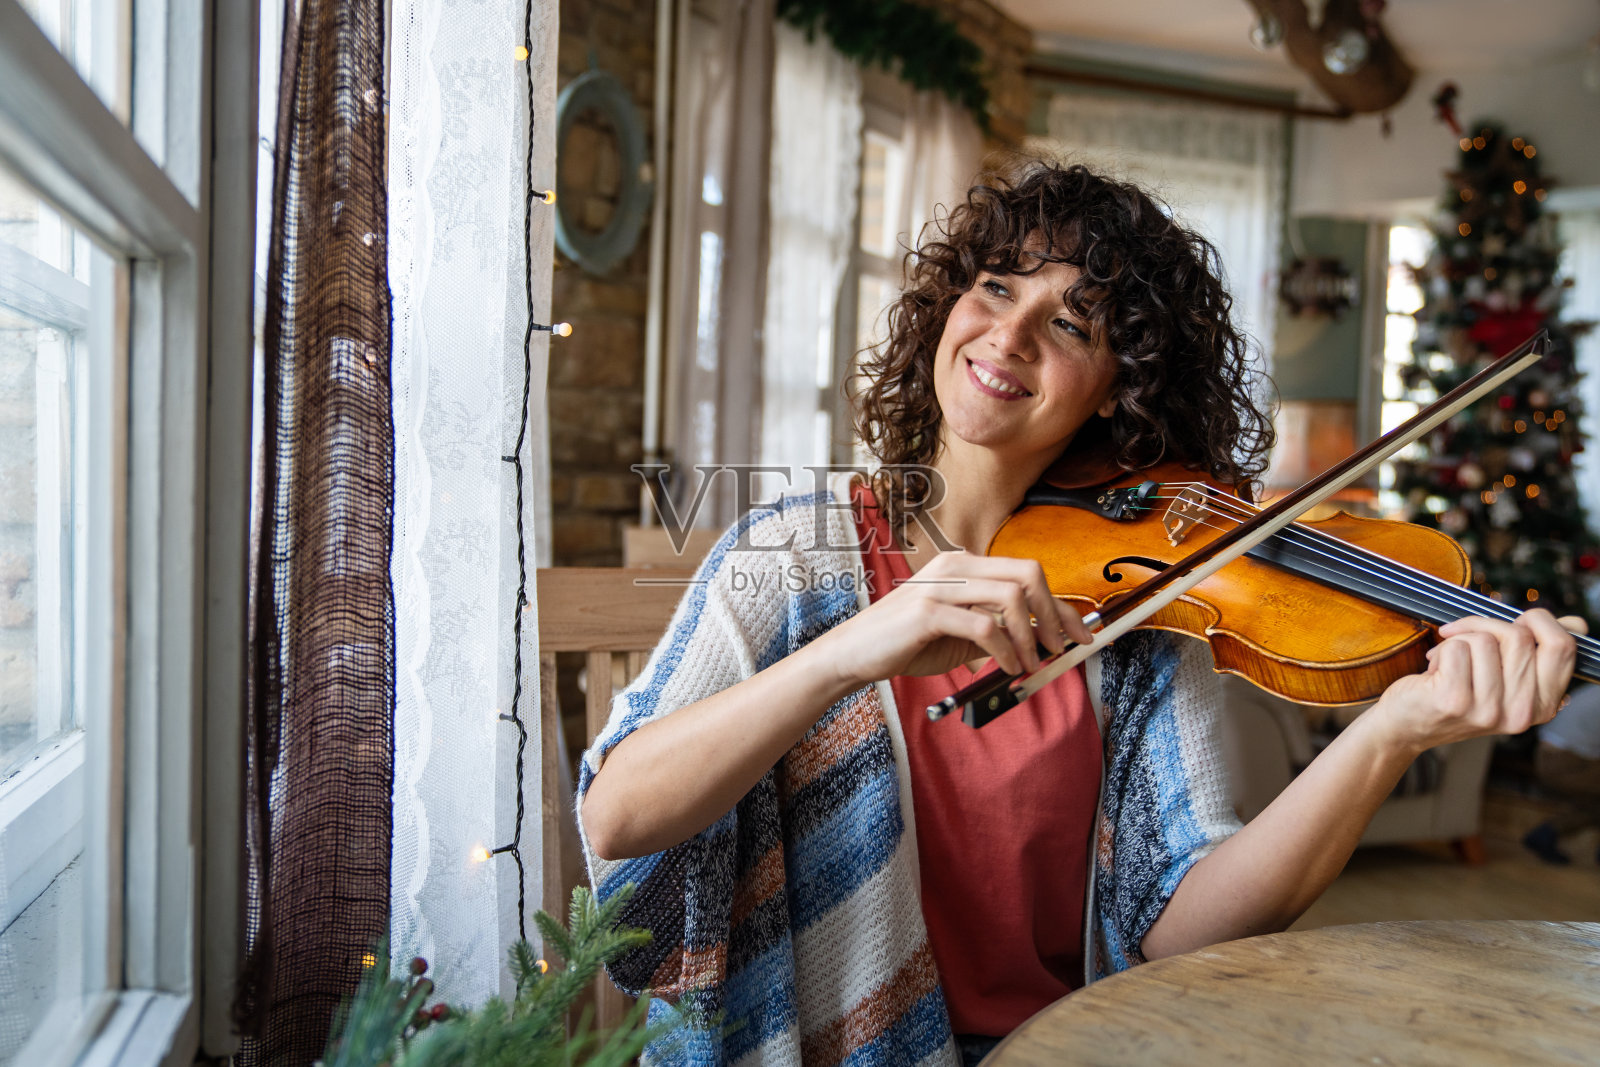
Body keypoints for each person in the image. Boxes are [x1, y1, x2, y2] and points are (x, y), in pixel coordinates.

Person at [576, 160, 1578, 1067]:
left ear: (1117, 388)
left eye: (1070, 323)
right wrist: (847, 653)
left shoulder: (1142, 599)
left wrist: (1393, 730)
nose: (1007, 335)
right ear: (948, 304)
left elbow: (1181, 931)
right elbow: (618, 815)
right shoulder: (793, 551)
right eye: (997, 286)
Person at [1522, 683, 1600, 864]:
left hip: (1549, 754)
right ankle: (1546, 833)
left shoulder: (1594, 685)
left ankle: (1545, 834)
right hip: (1563, 760)